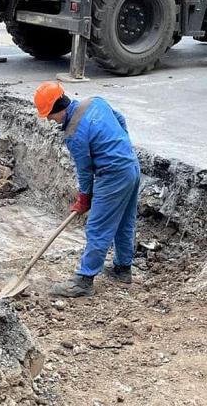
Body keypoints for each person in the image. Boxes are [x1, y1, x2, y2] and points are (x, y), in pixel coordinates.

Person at [33, 81, 141, 298]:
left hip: (112, 176)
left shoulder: (74, 133)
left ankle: (84, 280)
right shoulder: (95, 102)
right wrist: (122, 147)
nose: (50, 120)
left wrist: (85, 197)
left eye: (49, 116)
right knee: (124, 221)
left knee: (97, 227)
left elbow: (85, 170)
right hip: (131, 166)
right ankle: (123, 268)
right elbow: (120, 119)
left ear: (57, 109)